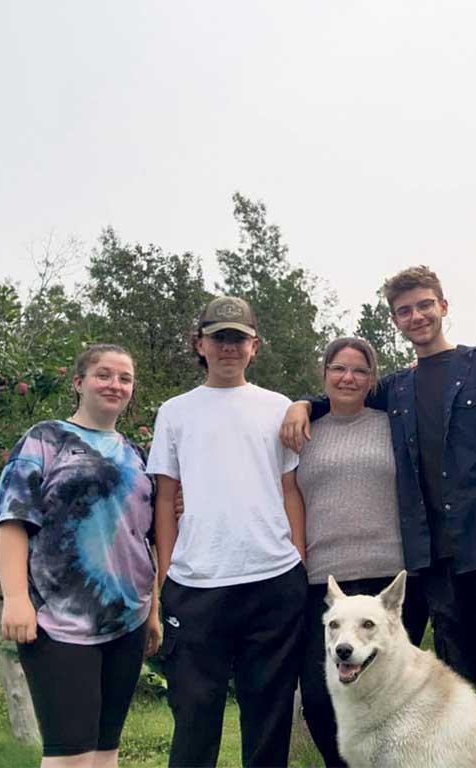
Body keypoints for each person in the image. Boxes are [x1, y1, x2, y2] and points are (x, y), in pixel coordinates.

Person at [281, 266, 476, 763]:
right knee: (462, 696)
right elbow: (347, 393)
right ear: (396, 321)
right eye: (405, 310)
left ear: (443, 306)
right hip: (435, 565)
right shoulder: (397, 388)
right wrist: (305, 403)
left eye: (424, 305)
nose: (417, 316)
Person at [146, 296, 308, 768]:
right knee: (195, 718)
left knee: (268, 719)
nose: (228, 347)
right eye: (219, 338)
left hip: (273, 581)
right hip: (197, 585)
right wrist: (166, 575)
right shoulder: (174, 412)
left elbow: (290, 489)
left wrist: (297, 560)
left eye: (238, 338)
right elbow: (164, 497)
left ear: (254, 346)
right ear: (201, 345)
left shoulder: (277, 407)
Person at [0, 343, 157, 768]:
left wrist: (153, 609)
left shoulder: (137, 455)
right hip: (56, 621)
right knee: (70, 757)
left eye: (125, 378)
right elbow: (11, 520)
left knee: (105, 753)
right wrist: (15, 598)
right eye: (104, 375)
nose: (114, 385)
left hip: (128, 619)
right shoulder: (44, 439)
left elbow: (144, 537)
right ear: (79, 382)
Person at [294, 336, 429, 767]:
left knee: (393, 699)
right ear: (325, 374)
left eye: (359, 370)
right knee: (319, 698)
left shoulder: (393, 423)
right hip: (323, 582)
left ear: (373, 379)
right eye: (339, 368)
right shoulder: (302, 430)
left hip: (389, 581)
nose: (348, 378)